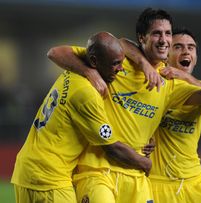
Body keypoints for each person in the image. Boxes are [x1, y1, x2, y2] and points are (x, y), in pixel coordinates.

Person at [48, 8, 201, 203]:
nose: (164, 40)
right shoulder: (116, 63)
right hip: (100, 170)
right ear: (142, 38)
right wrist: (91, 73)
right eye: (157, 33)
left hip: (141, 177)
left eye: (167, 34)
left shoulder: (171, 83)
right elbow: (58, 53)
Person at [10, 32, 152, 203]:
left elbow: (56, 52)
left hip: (27, 169)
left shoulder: (73, 69)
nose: (121, 68)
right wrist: (145, 163)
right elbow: (112, 148)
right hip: (50, 178)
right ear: (94, 61)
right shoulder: (87, 94)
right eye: (115, 63)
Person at [119, 26, 201, 203]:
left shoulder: (199, 88)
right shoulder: (151, 81)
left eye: (191, 47)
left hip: (193, 182)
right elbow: (121, 43)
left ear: (195, 58)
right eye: (178, 46)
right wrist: (143, 63)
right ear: (165, 53)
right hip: (156, 183)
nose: (186, 51)